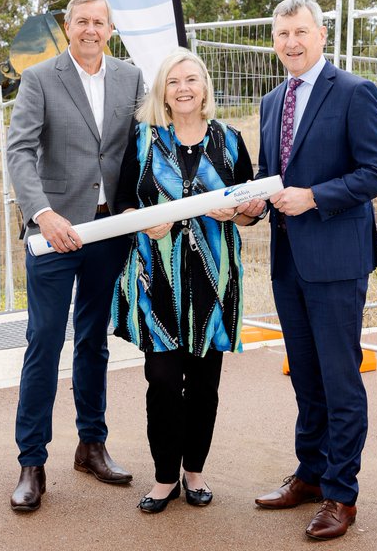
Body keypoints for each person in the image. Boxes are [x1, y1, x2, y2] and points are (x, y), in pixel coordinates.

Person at [252, 0, 377, 540]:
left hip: (336, 259)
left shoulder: (356, 92)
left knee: (339, 379)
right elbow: (272, 178)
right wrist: (251, 206)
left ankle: (341, 494)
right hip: (288, 260)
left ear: (322, 34)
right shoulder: (271, 102)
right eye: (282, 33)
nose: (291, 42)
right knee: (306, 377)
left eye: (301, 32)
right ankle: (310, 474)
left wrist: (314, 196)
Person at [5, 0, 146, 512]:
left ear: (111, 29)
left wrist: (141, 210)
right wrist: (43, 213)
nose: (91, 30)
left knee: (93, 340)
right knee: (43, 342)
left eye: (100, 23)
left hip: (108, 233)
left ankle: (91, 445)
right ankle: (31, 462)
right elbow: (19, 150)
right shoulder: (41, 78)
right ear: (68, 26)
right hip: (53, 232)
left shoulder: (131, 78)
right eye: (82, 21)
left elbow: (142, 148)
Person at [111, 48, 266, 513]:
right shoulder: (141, 140)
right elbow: (122, 203)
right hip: (155, 277)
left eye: (191, 79)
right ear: (162, 89)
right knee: (161, 379)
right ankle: (164, 478)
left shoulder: (230, 140)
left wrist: (240, 210)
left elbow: (252, 207)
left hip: (213, 283)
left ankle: (194, 471)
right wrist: (140, 220)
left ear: (204, 87)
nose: (183, 88)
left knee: (204, 383)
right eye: (174, 80)